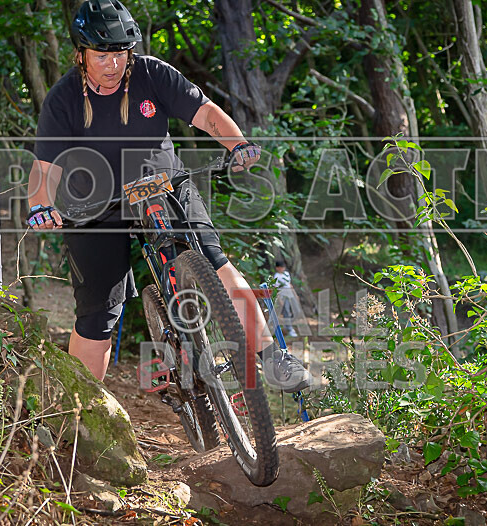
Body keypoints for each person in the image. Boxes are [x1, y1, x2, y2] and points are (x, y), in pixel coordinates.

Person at [27, 0, 310, 393]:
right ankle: (80, 412)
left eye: (121, 54)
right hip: (96, 203)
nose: (113, 65)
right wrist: (41, 204)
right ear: (81, 54)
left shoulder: (151, 73)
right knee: (97, 315)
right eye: (102, 56)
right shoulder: (64, 99)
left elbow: (207, 113)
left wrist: (237, 143)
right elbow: (46, 167)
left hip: (159, 182)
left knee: (214, 261)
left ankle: (272, 356)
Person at [273, 261, 298, 337]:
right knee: (286, 311)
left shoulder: (286, 274)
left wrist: (295, 294)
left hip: (290, 293)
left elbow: (289, 284)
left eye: (283, 267)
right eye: (281, 267)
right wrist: (279, 299)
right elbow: (275, 288)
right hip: (282, 294)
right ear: (277, 268)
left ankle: (288, 325)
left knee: (296, 310)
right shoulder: (276, 276)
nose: (283, 269)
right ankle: (289, 329)